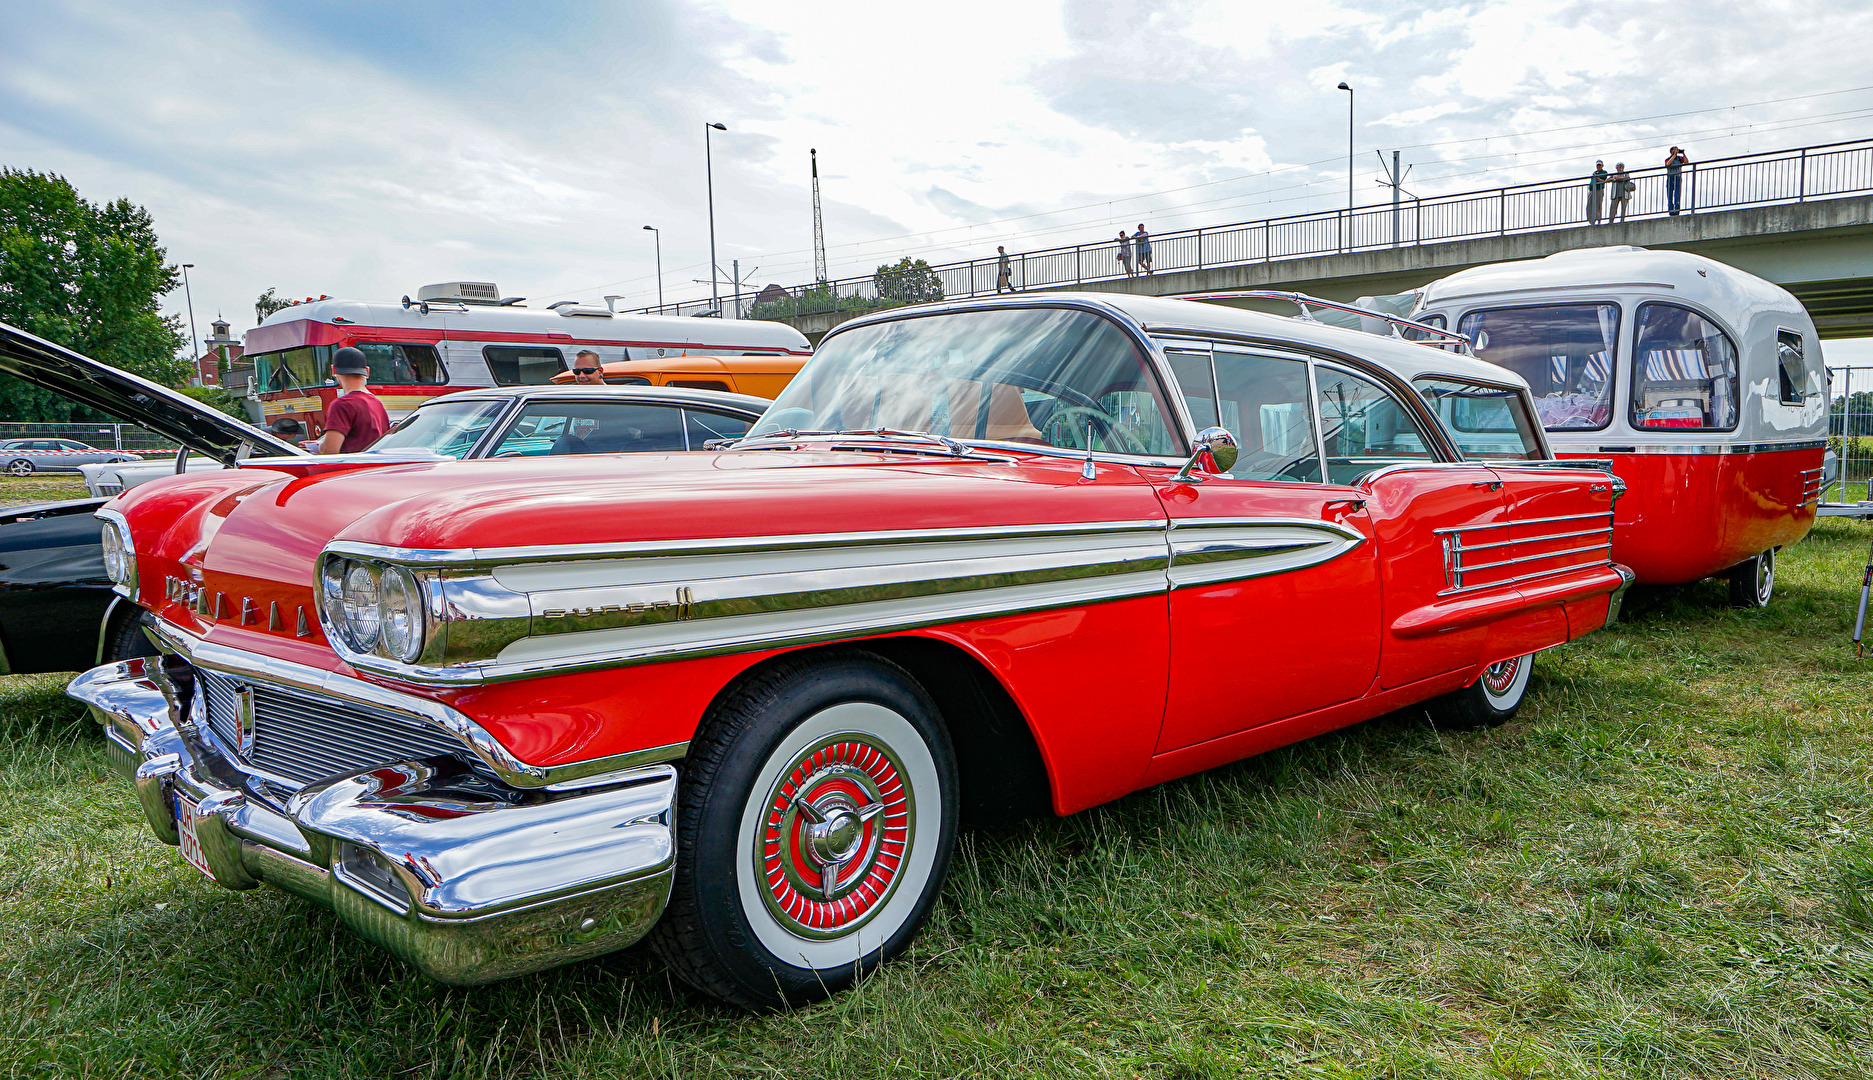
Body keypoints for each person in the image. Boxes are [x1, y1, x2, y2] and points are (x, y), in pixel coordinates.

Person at [318, 346, 390, 454]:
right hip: (374, 468)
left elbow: (330, 451)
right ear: (367, 371)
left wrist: (319, 447)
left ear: (333, 370)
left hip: (352, 469)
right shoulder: (377, 403)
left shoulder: (342, 405)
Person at [1665, 147, 1689, 216]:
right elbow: (1668, 164)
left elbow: (1686, 162)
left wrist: (1683, 154)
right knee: (1669, 195)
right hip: (1670, 178)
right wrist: (1674, 156)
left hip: (1678, 178)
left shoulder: (1679, 159)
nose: (1676, 151)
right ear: (1671, 151)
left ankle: (1677, 211)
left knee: (1677, 195)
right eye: (1674, 150)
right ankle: (1671, 211)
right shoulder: (1667, 159)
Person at [1586, 160, 1608, 225]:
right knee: (1589, 205)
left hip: (1599, 190)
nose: (1598, 167)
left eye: (1600, 165)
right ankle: (1591, 221)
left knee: (1598, 205)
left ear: (1602, 166)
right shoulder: (1594, 172)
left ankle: (1598, 220)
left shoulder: (1604, 172)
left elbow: (1603, 181)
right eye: (1597, 165)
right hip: (1592, 190)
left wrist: (1597, 178)